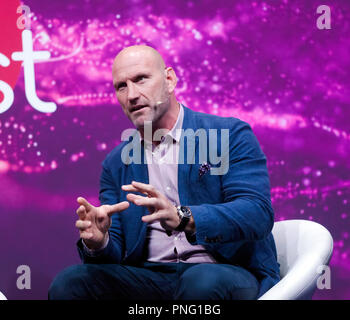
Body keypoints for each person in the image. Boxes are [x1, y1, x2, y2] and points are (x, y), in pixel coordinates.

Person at [49, 45, 280, 300]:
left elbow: (257, 213)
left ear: (169, 80)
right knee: (70, 283)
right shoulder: (116, 163)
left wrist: (184, 217)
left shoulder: (228, 135)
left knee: (201, 281)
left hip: (224, 271)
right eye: (121, 86)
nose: (132, 95)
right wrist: (99, 242)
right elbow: (115, 254)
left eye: (141, 79)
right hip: (151, 280)